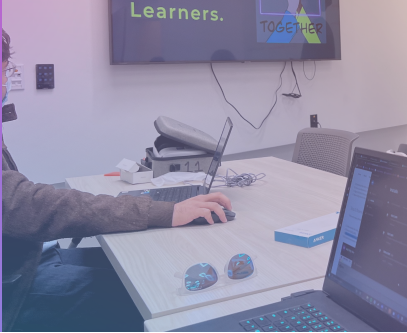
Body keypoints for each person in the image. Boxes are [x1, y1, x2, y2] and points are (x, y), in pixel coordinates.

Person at [1, 29, 233, 332]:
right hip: (17, 288)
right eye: (6, 71)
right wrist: (164, 211)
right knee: (152, 291)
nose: (6, 81)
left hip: (26, 259)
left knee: (149, 267)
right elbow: (26, 206)